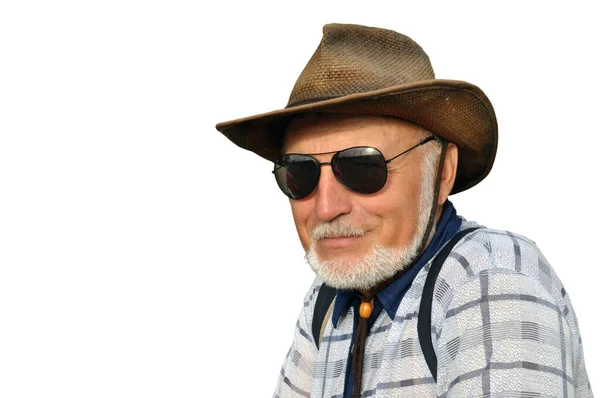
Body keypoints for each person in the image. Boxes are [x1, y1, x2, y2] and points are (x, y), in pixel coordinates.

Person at [215, 23, 593, 397]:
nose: (327, 207)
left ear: (442, 173)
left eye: (363, 168)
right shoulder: (328, 300)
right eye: (299, 173)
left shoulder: (488, 276)